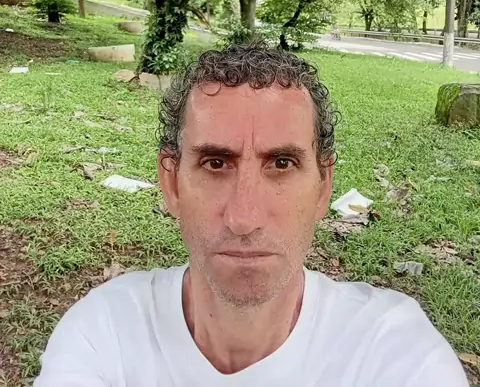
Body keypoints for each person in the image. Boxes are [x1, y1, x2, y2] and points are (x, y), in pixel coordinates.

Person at [34, 43, 467, 386]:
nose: (244, 218)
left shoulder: (394, 350)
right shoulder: (105, 333)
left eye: (281, 163)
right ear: (171, 184)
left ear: (323, 186)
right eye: (215, 163)